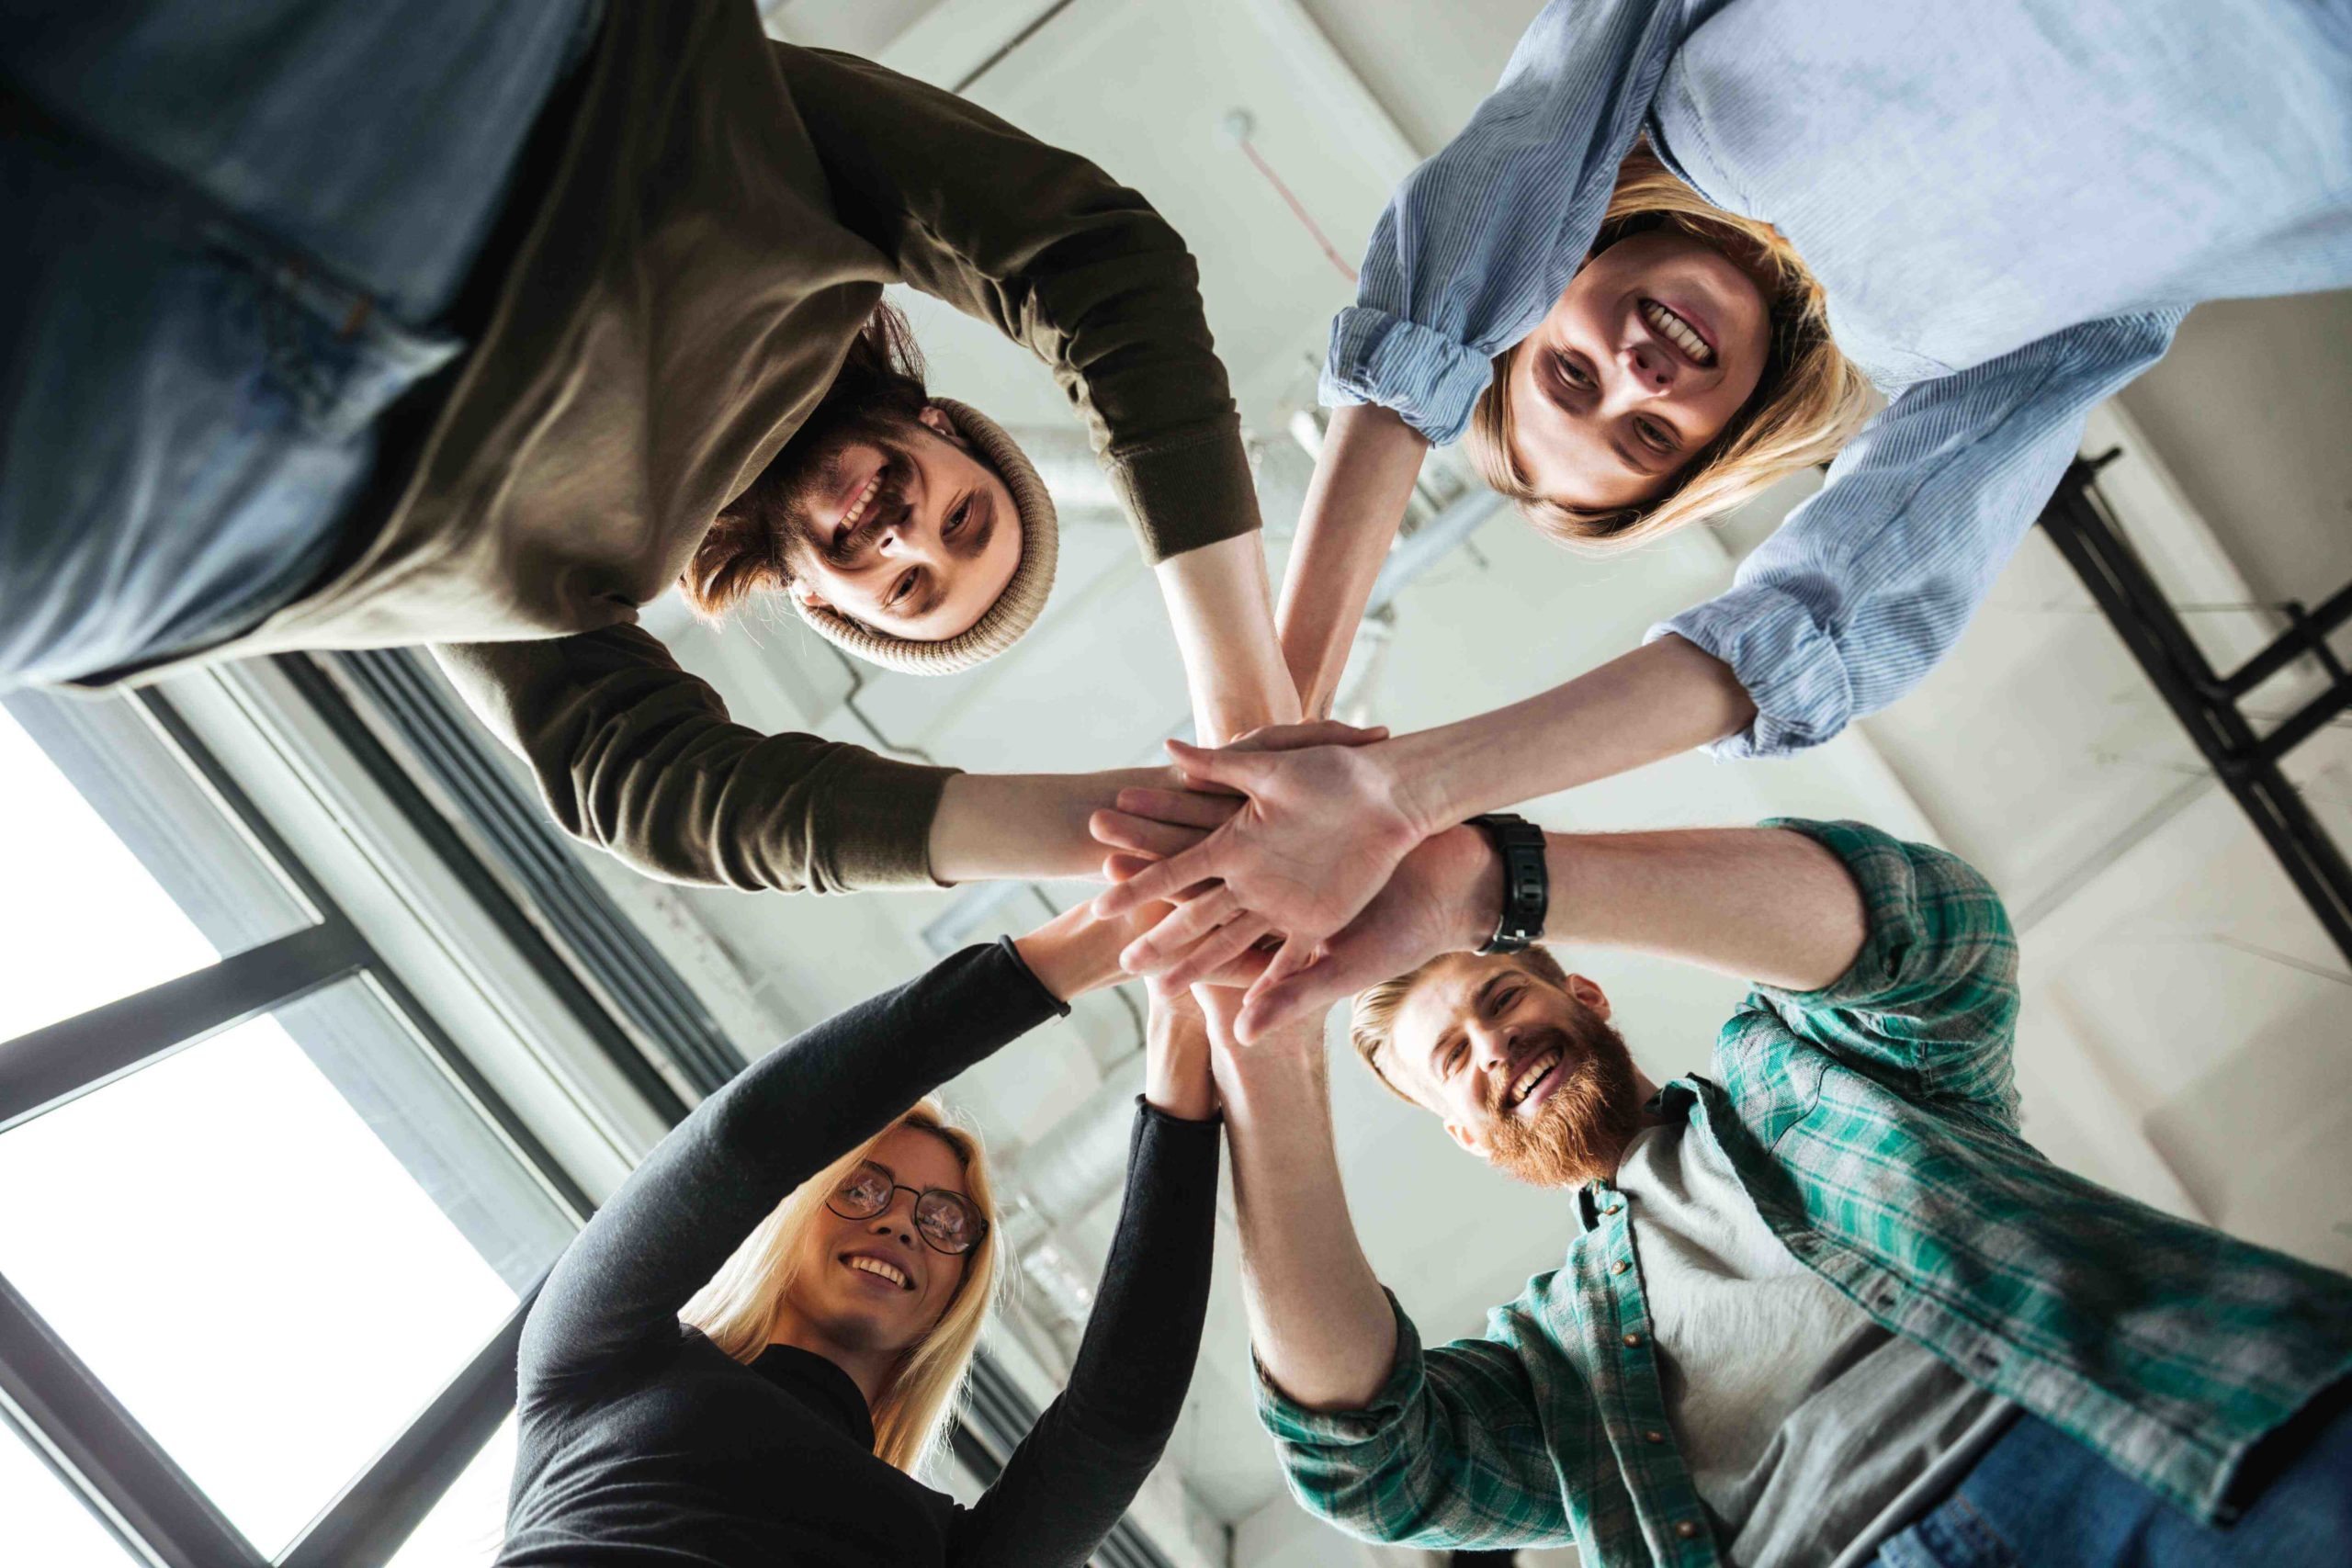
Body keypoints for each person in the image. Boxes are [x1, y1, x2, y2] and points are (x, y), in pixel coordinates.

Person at [1091, 0, 2352, 985]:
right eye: (1649, 433)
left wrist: (1270, 724)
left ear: (1550, 273)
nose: (1635, 374)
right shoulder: (1954, 364)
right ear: (1723, 444)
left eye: (1569, 371)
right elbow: (1828, 619)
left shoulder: (1671, 86)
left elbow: (1509, 179)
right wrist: (1400, 790)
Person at [4, 0, 1298, 897]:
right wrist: (1246, 713)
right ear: (943, 427)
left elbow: (646, 787)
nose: (903, 532)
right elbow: (1097, 263)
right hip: (479, 109)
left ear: (817, 599)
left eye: (904, 584)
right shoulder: (826, 226)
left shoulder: (593, 586)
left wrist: (1129, 834)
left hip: (202, 494)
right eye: (961, 516)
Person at [1193, 815, 2352, 1566]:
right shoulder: (1552, 1367)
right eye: (1453, 1060)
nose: (1491, 1048)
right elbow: (1371, 1467)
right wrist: (1261, 1057)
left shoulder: (1806, 1069)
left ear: (1585, 998)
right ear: (1461, 1134)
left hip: (2154, 1434)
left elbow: (1939, 934)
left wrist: (1490, 889)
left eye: (1499, 999)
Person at [499, 895, 1223, 1566]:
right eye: (862, 1188)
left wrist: (1188, 1022)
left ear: (956, 1293)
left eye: (944, 1220)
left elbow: (1113, 1425)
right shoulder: (595, 1363)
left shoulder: (951, 1551)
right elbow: (742, 1145)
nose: (900, 1222)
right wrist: (1101, 939)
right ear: (794, 1212)